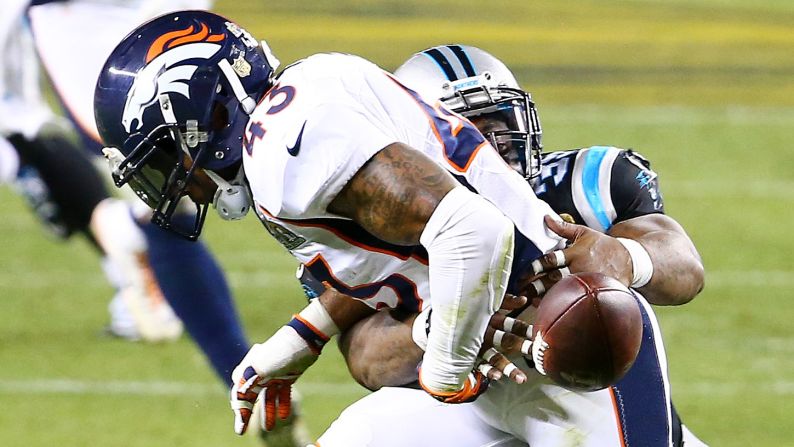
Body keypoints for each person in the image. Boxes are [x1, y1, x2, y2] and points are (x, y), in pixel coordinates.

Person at [92, 10, 568, 437]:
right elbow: (386, 282)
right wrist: (299, 339)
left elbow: (471, 230)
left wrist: (447, 367)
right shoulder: (296, 106)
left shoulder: (285, 155)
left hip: (561, 349)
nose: (171, 183)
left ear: (211, 113)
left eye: (167, 156)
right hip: (501, 362)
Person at [311, 45, 707, 446]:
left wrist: (626, 258)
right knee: (358, 436)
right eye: (467, 130)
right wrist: (441, 328)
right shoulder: (384, 220)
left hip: (577, 389)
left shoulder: (583, 182)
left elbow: (685, 268)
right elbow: (365, 358)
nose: (494, 142)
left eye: (499, 122)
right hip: (458, 396)